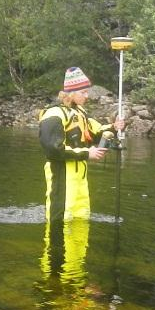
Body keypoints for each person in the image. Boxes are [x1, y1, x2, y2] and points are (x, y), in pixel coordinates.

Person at [38, 66, 124, 223]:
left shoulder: (81, 113)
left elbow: (95, 132)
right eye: (83, 92)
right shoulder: (54, 114)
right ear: (71, 93)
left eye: (87, 91)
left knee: (81, 219)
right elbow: (53, 150)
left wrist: (114, 127)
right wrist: (87, 153)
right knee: (60, 221)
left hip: (80, 178)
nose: (87, 95)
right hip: (62, 176)